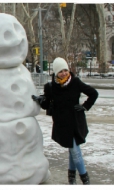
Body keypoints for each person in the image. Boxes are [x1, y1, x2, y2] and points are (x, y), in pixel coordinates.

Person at [32, 57, 98, 185]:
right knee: (73, 149)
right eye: (61, 71)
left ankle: (85, 181)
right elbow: (47, 105)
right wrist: (40, 100)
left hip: (75, 122)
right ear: (56, 73)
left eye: (65, 70)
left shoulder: (76, 82)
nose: (64, 73)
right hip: (62, 124)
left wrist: (85, 106)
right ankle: (72, 179)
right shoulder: (51, 87)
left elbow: (93, 93)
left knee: (74, 150)